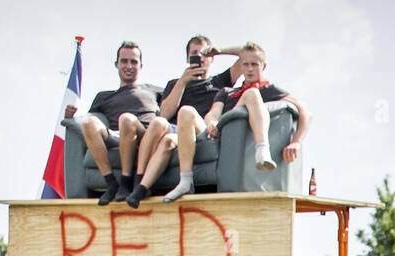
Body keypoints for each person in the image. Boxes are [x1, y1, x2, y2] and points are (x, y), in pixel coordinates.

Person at [127, 36, 245, 209]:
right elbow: (165, 114)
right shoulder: (175, 83)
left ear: (211, 57)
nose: (200, 57)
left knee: (186, 112)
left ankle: (180, 181)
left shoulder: (220, 81)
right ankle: (140, 185)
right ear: (188, 59)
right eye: (195, 54)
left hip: (201, 129)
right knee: (160, 125)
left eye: (204, 53)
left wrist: (220, 50)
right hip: (177, 132)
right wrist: (182, 82)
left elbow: (248, 55)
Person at [189, 42, 310, 182]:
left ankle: (263, 149)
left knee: (252, 93)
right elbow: (213, 113)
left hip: (240, 139)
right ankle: (185, 180)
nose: (250, 69)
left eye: (254, 64)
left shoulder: (269, 90)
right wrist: (212, 122)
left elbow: (304, 111)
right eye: (245, 64)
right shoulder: (227, 92)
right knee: (189, 112)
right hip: (223, 130)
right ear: (240, 67)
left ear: (263, 66)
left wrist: (296, 142)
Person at [79, 42, 162, 206]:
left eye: (134, 62)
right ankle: (111, 184)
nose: (129, 66)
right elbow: (88, 125)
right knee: (88, 121)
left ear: (141, 65)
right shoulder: (103, 96)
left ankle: (126, 182)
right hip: (116, 134)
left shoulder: (155, 91)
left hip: (144, 134)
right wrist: (71, 115)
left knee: (126, 119)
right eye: (124, 61)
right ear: (116, 64)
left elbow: (170, 111)